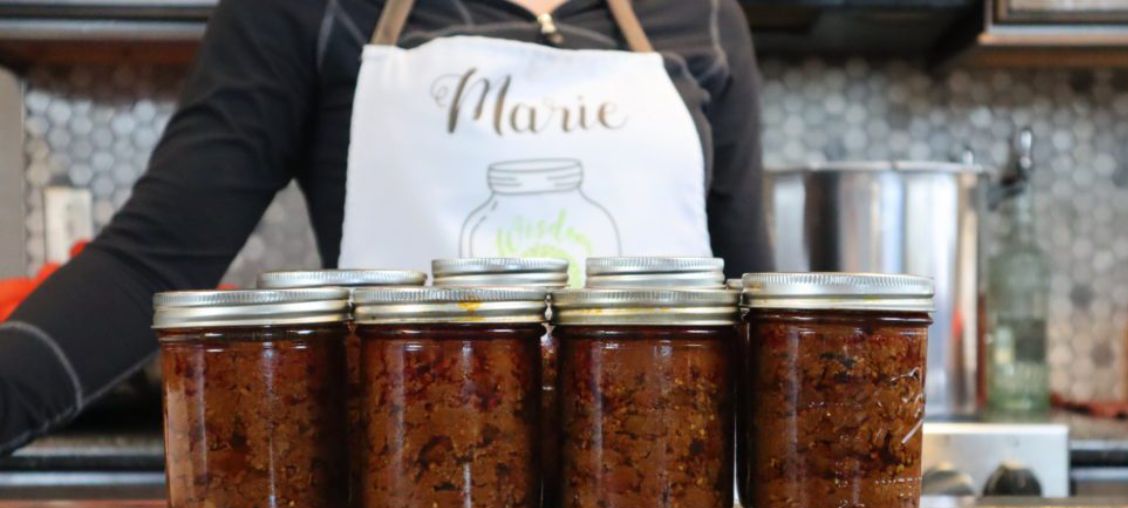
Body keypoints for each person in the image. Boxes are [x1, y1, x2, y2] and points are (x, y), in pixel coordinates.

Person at [0, 0, 771, 454]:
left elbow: (754, 301)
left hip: (656, 500)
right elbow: (149, 263)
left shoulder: (702, 14)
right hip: (412, 494)